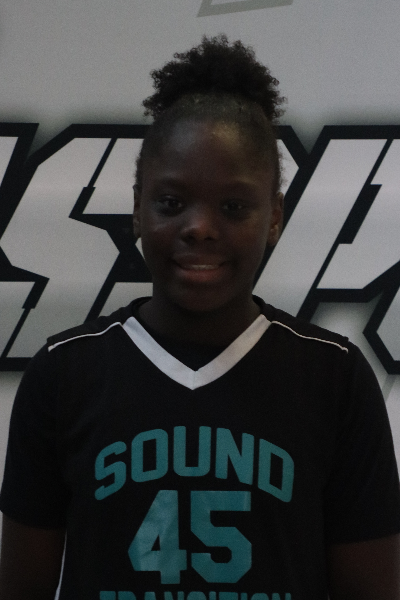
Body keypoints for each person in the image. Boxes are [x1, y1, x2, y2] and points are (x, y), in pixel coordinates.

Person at [0, 34, 399, 600]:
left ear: (275, 216)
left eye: (233, 207)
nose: (200, 228)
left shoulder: (335, 378)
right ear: (137, 207)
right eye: (171, 203)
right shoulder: (63, 374)